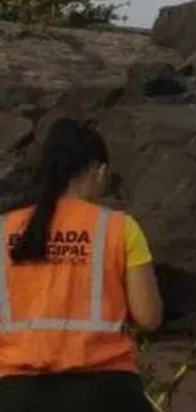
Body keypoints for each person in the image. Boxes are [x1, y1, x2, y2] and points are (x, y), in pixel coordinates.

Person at [0, 117, 163, 412]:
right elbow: (149, 317)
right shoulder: (119, 227)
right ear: (98, 171)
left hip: (17, 391)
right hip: (105, 390)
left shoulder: (4, 230)